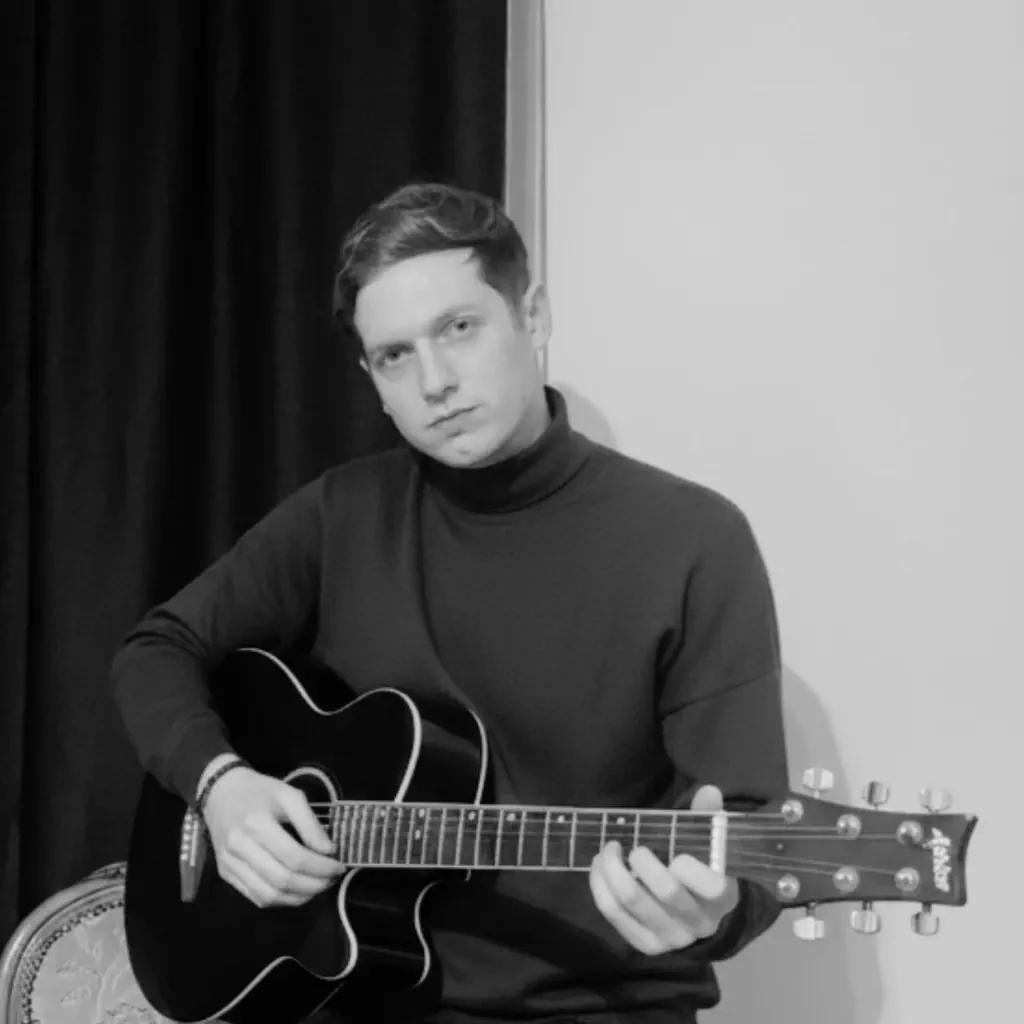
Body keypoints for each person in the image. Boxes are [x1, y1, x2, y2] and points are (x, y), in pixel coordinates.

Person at [111, 182, 789, 1024]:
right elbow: (156, 651)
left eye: (459, 328)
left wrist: (717, 908)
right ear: (371, 377)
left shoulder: (693, 539)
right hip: (356, 1001)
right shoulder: (341, 515)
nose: (435, 381)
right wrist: (222, 786)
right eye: (395, 355)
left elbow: (754, 836)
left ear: (532, 316)